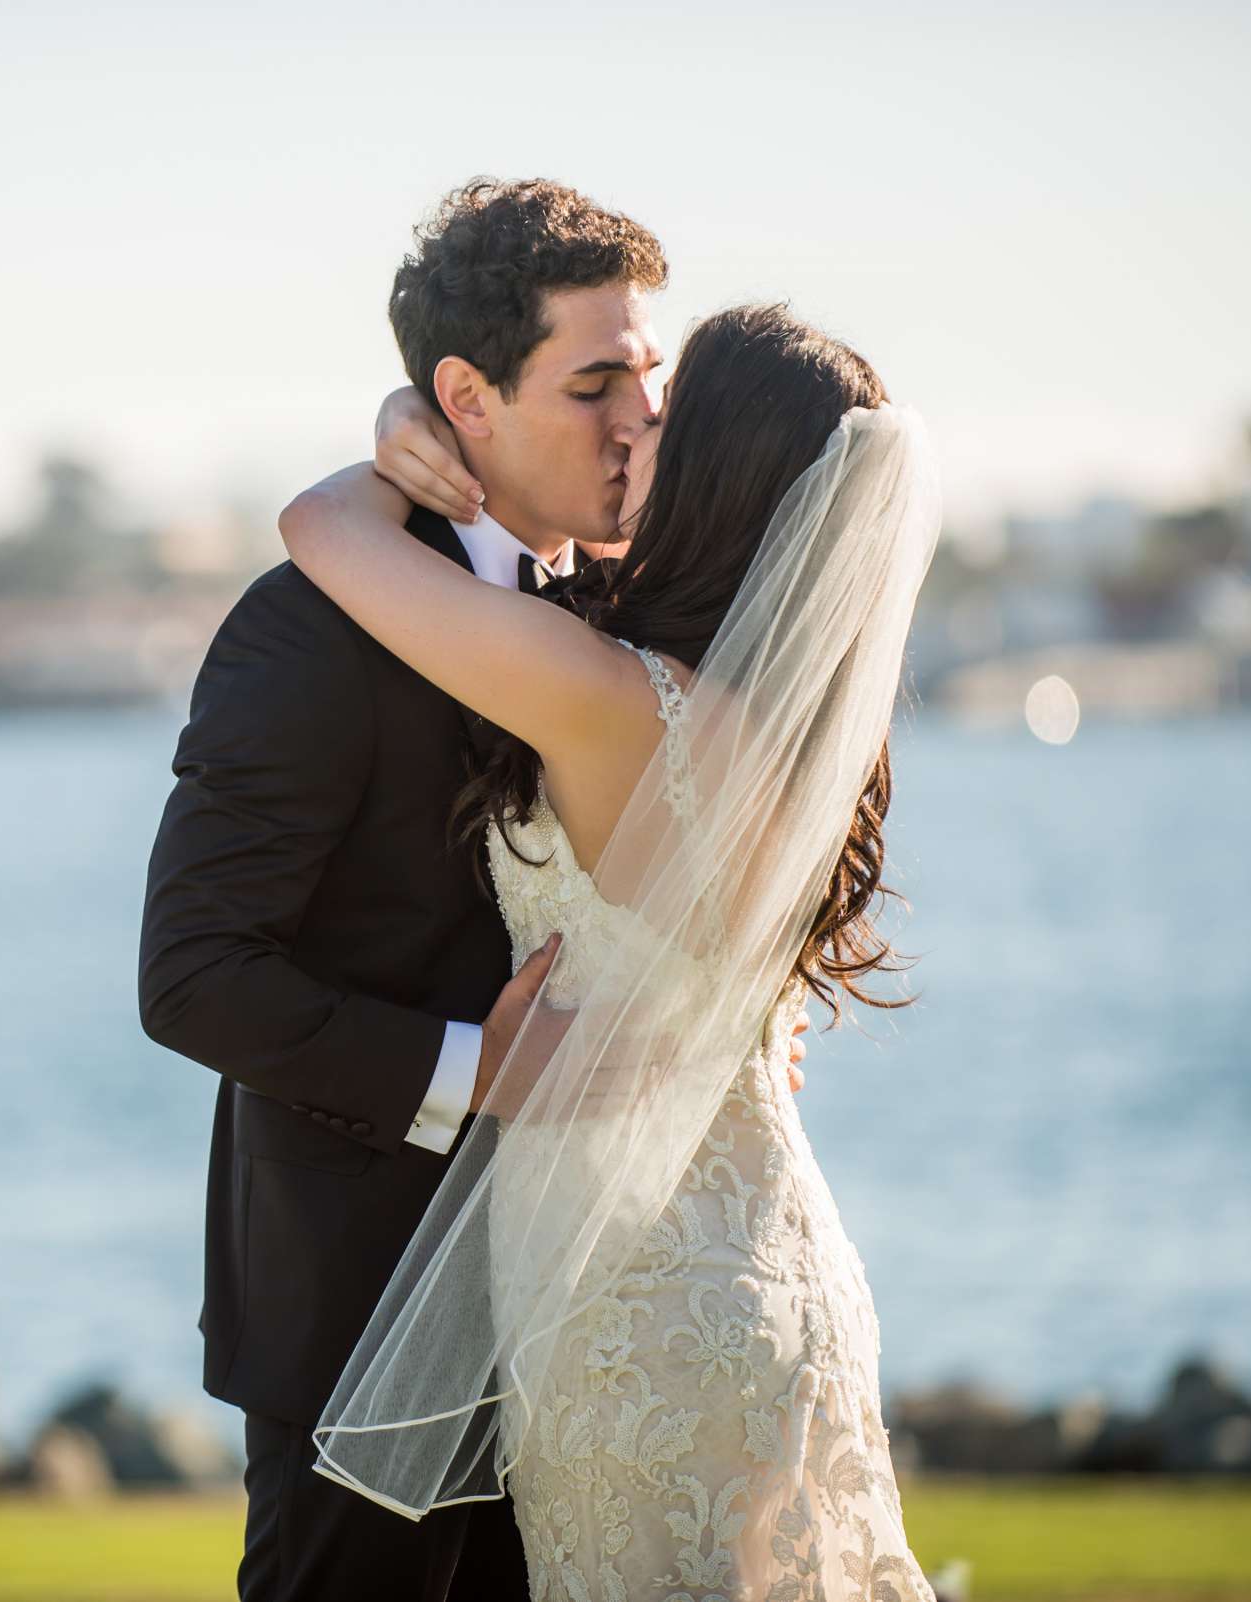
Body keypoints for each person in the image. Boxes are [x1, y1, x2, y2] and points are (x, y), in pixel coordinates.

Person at [137, 179, 807, 1602]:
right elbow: (191, 971)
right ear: (467, 400)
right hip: (361, 1315)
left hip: (604, 1333)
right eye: (594, 379)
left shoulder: (631, 618)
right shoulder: (309, 626)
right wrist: (470, 1068)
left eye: (650, 373)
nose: (637, 414)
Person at [289, 300, 944, 1598]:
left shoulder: (607, 698)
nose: (634, 419)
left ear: (713, 463)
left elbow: (320, 530)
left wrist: (408, 444)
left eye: (665, 403)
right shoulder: (791, 729)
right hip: (757, 1265)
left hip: (636, 1300)